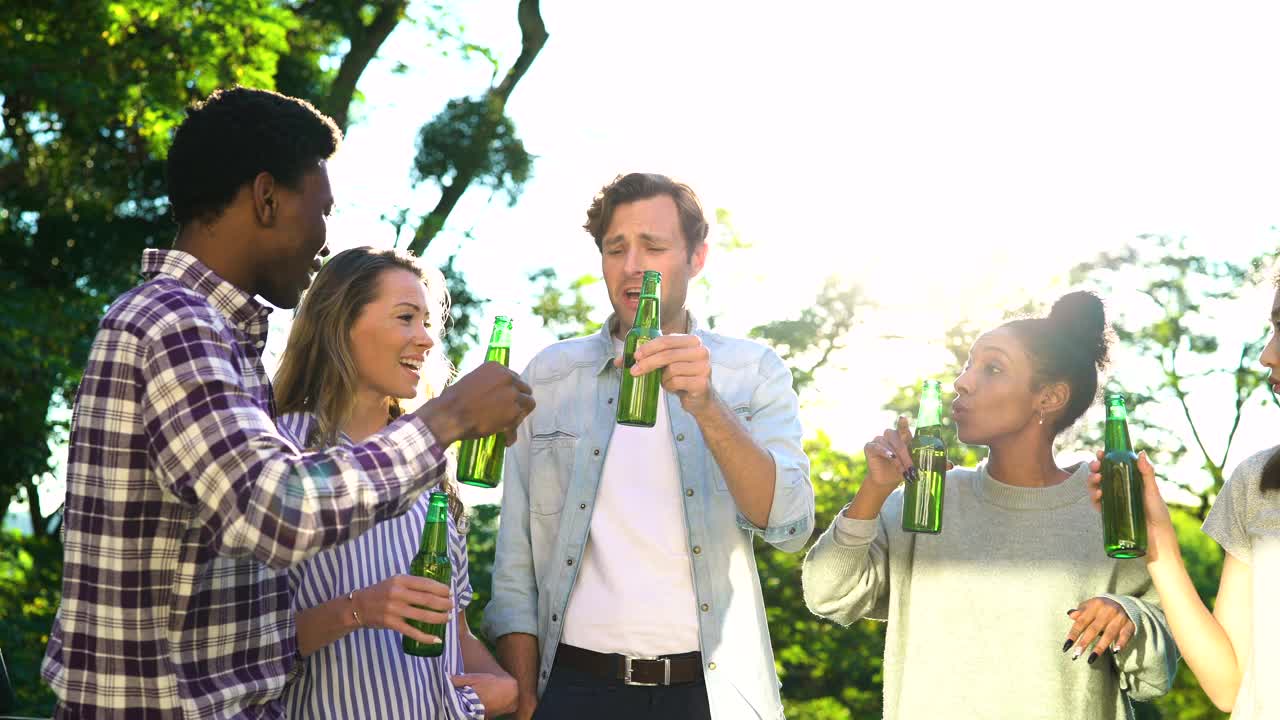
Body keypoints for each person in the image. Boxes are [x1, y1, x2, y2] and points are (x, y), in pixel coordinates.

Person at [41, 87, 533, 719]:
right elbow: (272, 509)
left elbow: (229, 608)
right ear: (266, 198)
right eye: (320, 209)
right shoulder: (172, 323)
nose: (324, 240)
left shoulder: (216, 339)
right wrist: (448, 419)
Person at [486, 172, 815, 720]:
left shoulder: (751, 371)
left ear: (697, 257)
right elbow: (515, 563)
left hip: (706, 694)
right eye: (617, 248)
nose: (633, 264)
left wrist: (708, 405)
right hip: (571, 689)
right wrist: (525, 700)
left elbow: (789, 524)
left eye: (654, 246)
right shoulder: (549, 375)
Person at [802, 291, 1178, 719]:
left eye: (992, 368)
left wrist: (1128, 614)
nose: (962, 382)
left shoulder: (1104, 506)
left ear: (1049, 398)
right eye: (968, 364)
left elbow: (1154, 677)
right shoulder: (926, 502)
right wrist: (873, 491)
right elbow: (827, 595)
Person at [275, 246, 517, 719]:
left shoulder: (434, 467)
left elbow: (455, 634)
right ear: (338, 324)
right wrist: (359, 608)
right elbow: (239, 647)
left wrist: (507, 688)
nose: (426, 340)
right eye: (406, 318)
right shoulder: (280, 450)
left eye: (428, 322)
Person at [1084, 274, 1280, 718]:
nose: (1268, 354)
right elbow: (1230, 686)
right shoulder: (1257, 482)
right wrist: (1157, 541)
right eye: (1271, 328)